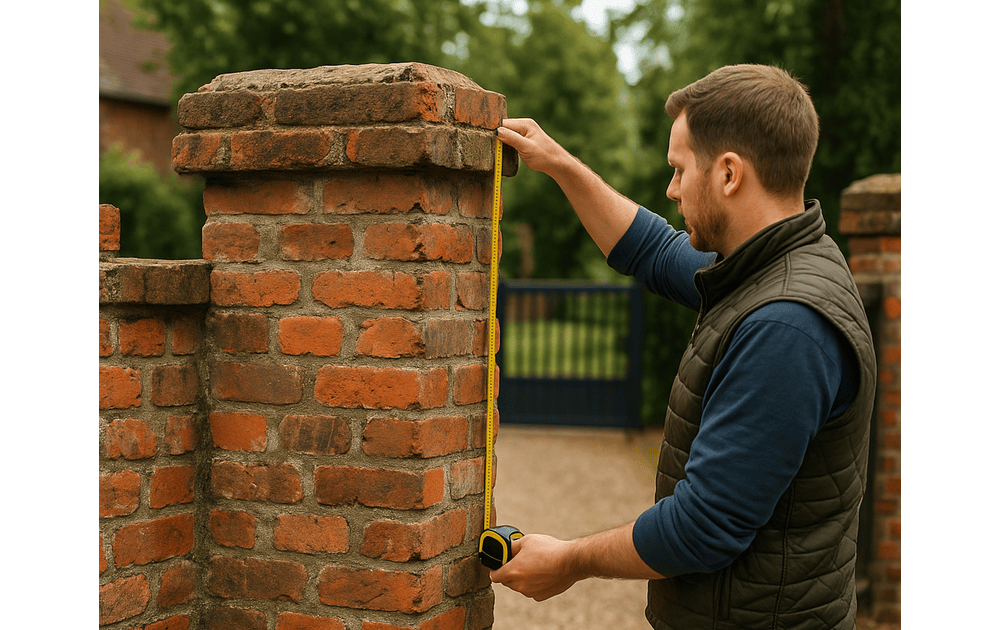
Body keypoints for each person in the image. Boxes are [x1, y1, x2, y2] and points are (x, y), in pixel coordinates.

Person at [491, 64, 877, 630]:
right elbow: (653, 250)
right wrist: (562, 165)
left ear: (728, 174)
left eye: (678, 169)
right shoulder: (774, 263)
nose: (670, 189)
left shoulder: (787, 326)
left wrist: (570, 561)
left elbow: (704, 527)